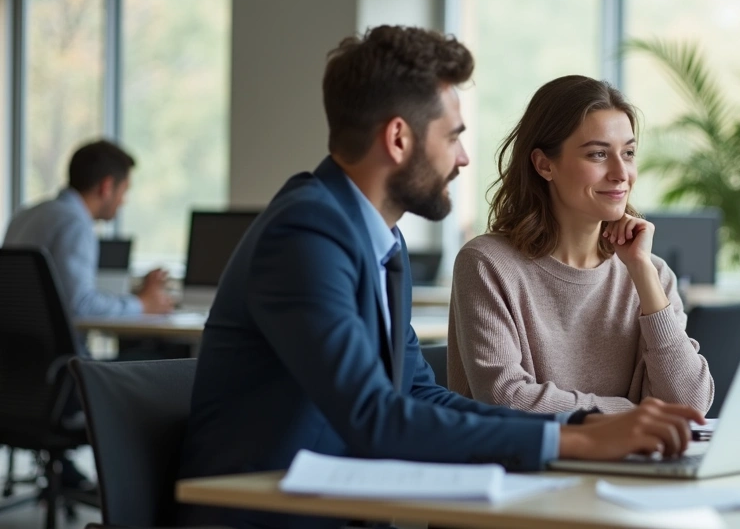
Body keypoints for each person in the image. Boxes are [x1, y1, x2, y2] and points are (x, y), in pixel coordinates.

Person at [176, 27, 704, 529]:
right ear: (398, 139)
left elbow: (418, 394)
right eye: (452, 137)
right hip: (264, 520)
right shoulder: (306, 233)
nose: (464, 158)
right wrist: (580, 442)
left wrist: (579, 424)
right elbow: (374, 415)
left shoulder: (379, 241)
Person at [447, 75, 714, 415]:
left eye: (628, 153)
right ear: (544, 164)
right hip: (526, 454)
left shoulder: (653, 274)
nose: (621, 173)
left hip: (631, 453)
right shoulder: (487, 263)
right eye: (598, 154)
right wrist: (636, 414)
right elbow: (506, 398)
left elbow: (690, 406)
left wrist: (642, 272)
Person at [4, 140, 173, 317]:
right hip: (54, 336)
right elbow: (80, 306)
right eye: (124, 191)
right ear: (107, 186)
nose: (124, 201)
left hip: (14, 334)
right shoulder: (75, 224)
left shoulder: (24, 215)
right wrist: (142, 304)